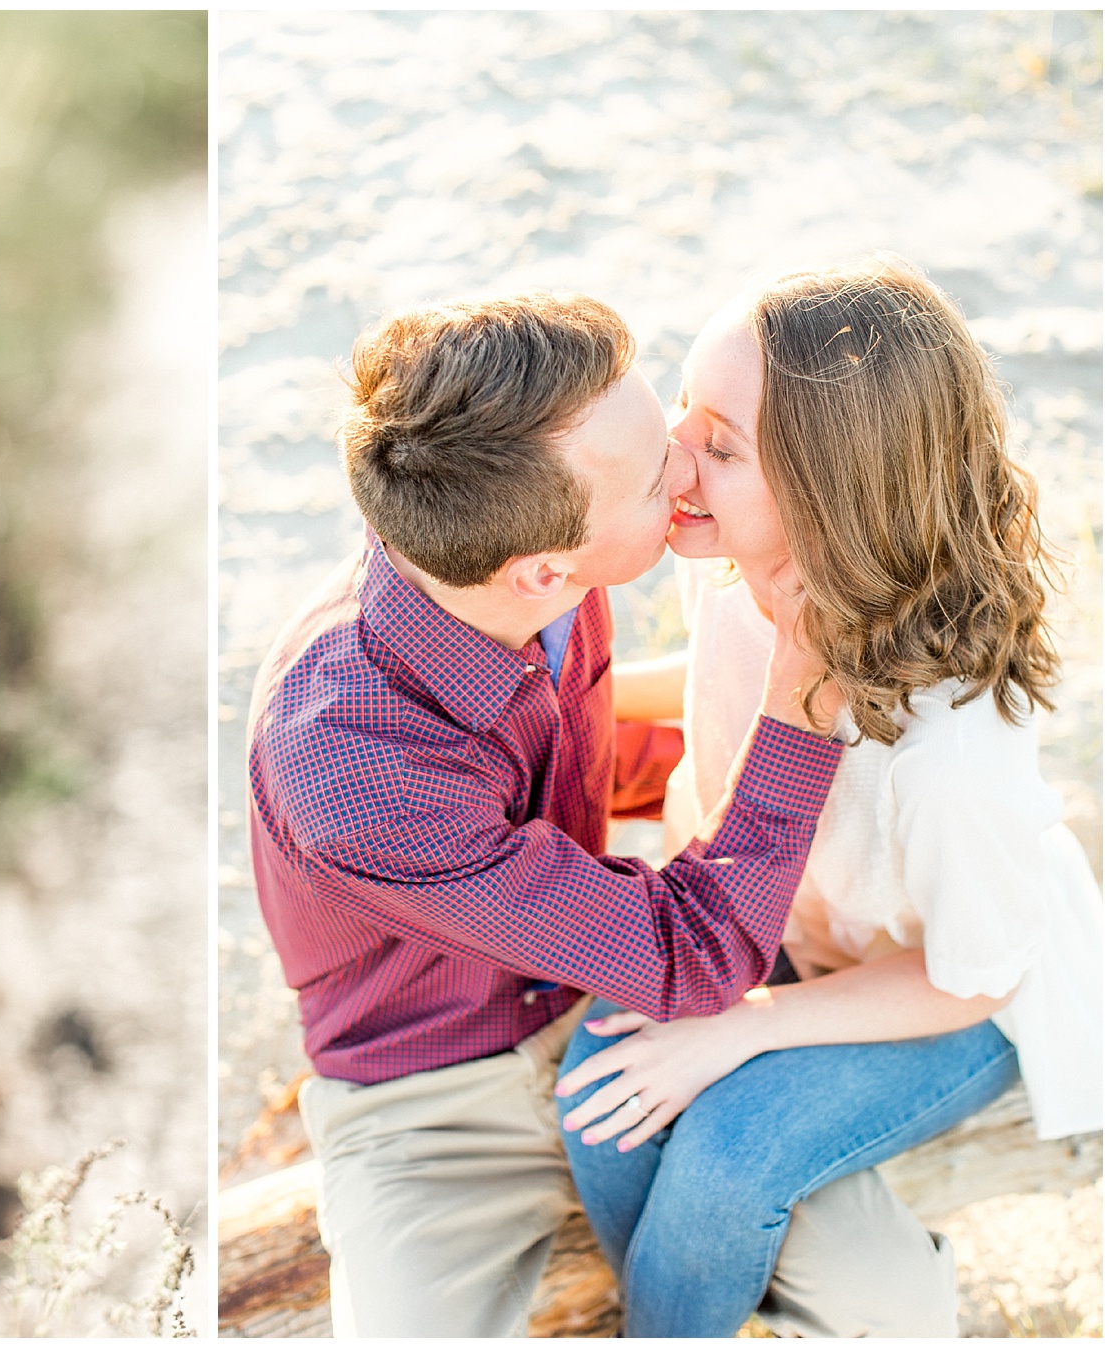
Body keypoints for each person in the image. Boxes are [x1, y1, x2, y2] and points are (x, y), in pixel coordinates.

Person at [246, 293, 962, 1337]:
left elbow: (579, 750)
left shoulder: (515, 555)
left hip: (614, 1001)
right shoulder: (348, 768)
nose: (684, 458)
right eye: (650, 474)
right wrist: (797, 703)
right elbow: (695, 950)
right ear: (544, 568)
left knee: (891, 1301)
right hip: (430, 1101)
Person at [554, 255, 1104, 1337]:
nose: (672, 454)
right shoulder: (751, 582)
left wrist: (743, 1030)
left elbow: (972, 977)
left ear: (833, 498)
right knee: (603, 1107)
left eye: (717, 446)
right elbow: (719, 694)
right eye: (684, 414)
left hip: (944, 986)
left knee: (727, 1155)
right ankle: (696, 1310)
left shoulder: (949, 754)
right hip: (780, 916)